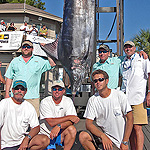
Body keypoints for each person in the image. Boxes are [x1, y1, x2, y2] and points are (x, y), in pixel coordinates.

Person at [79, 69, 133, 150]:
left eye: (101, 79)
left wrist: (125, 141)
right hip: (102, 136)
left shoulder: (119, 95)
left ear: (107, 81)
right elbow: (88, 124)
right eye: (95, 81)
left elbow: (130, 118)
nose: (98, 82)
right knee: (83, 136)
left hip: (118, 143)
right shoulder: (93, 100)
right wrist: (103, 136)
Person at [4, 40, 56, 116]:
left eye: (28, 47)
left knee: (33, 122)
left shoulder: (39, 60)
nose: (26, 48)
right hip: (16, 96)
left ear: (32, 49)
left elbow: (52, 64)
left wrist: (46, 50)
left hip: (33, 97)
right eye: (24, 47)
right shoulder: (14, 61)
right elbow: (9, 78)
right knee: (14, 120)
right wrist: (6, 94)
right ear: (21, 48)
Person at [0, 80, 50, 150]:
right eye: (17, 88)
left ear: (25, 92)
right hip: (6, 145)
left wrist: (27, 139)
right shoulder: (4, 103)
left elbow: (36, 127)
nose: (19, 91)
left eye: (22, 89)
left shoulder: (29, 106)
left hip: (22, 142)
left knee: (45, 140)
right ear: (13, 90)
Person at [121, 41, 150, 150]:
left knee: (138, 128)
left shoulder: (142, 58)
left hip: (138, 98)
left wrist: (149, 92)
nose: (128, 49)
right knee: (130, 128)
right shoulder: (122, 61)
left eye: (130, 47)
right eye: (126, 47)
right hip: (125, 99)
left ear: (135, 48)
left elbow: (149, 74)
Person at [40, 80, 80, 150]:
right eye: (55, 89)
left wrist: (59, 126)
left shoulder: (68, 100)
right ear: (52, 90)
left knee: (72, 129)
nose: (57, 91)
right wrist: (69, 117)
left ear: (64, 91)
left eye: (60, 89)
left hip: (59, 133)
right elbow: (51, 122)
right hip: (46, 134)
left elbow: (72, 121)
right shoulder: (45, 102)